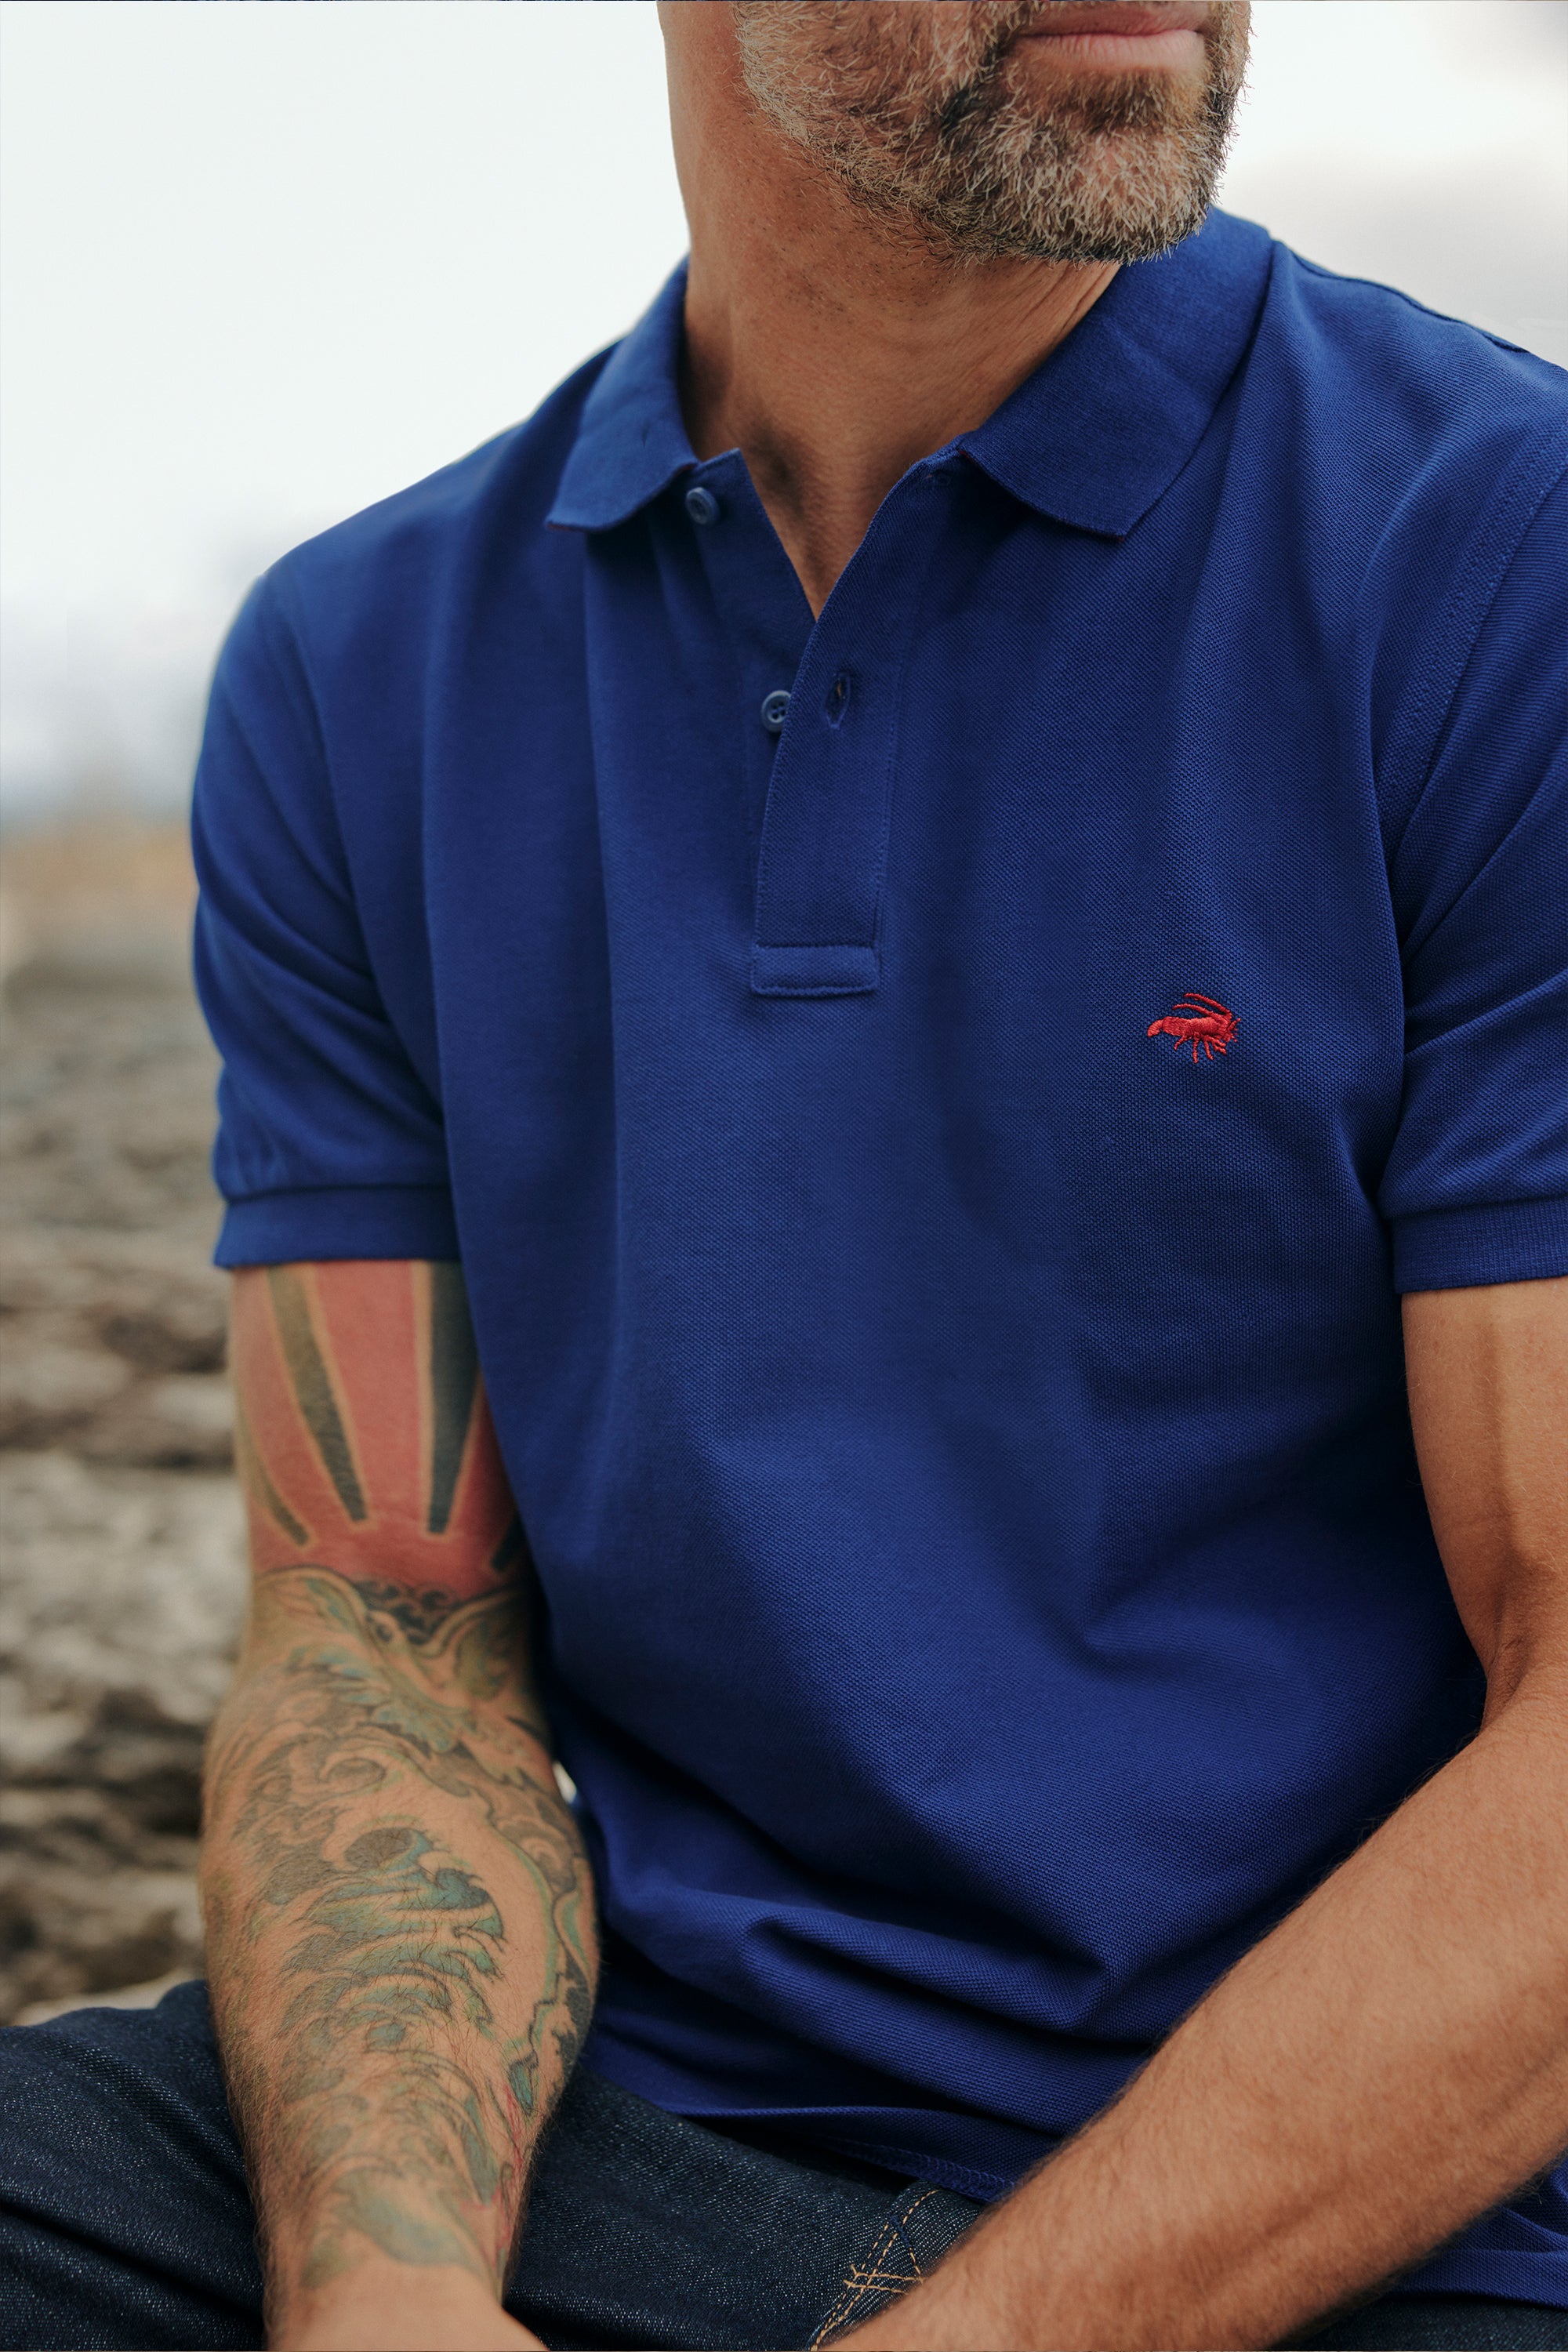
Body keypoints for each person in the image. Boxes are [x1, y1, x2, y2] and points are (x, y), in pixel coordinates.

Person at [2, 3, 1565, 2347]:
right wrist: (383, 2297)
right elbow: (382, 1635)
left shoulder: (1499, 552)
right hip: (630, 2126)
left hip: (1360, 2229)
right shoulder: (361, 668)